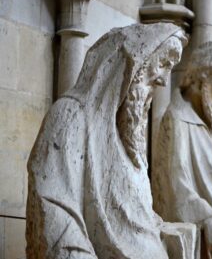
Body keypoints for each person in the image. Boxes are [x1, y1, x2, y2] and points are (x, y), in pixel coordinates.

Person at [26, 23, 187, 259]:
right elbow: (55, 219)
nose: (164, 80)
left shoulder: (130, 138)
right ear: (131, 64)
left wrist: (163, 230)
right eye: (162, 64)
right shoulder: (70, 117)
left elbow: (132, 218)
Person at [152, 41, 212, 259]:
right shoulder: (177, 119)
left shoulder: (207, 125)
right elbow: (176, 187)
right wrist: (207, 217)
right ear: (201, 80)